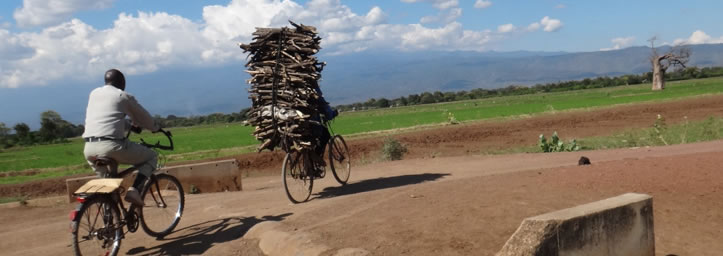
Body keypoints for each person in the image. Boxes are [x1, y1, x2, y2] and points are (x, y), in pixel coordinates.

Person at [82, 69, 160, 206]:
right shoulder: (122, 96)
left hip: (89, 148)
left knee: (107, 188)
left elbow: (109, 119)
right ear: (122, 82)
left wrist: (129, 126)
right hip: (112, 147)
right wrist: (155, 128)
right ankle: (134, 190)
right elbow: (144, 117)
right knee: (152, 156)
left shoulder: (94, 94)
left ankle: (111, 218)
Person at [311, 87, 338, 174]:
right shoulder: (313, 88)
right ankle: (317, 159)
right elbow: (323, 106)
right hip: (312, 125)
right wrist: (332, 114)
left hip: (290, 126)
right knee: (325, 135)